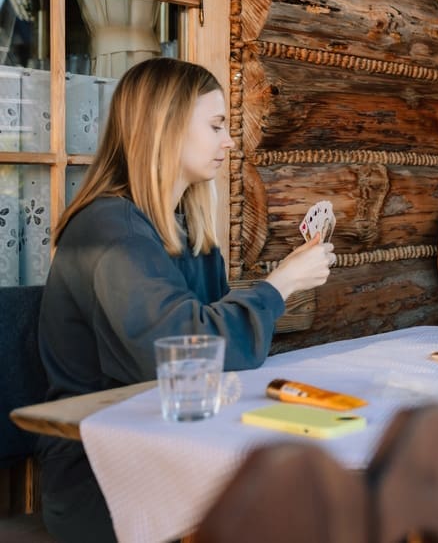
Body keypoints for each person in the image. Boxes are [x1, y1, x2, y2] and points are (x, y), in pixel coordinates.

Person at [36, 58, 336, 542]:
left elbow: (222, 366)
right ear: (167, 128)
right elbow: (186, 353)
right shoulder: (108, 227)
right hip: (106, 470)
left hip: (178, 442)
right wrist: (278, 286)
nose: (230, 141)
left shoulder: (188, 230)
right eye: (216, 125)